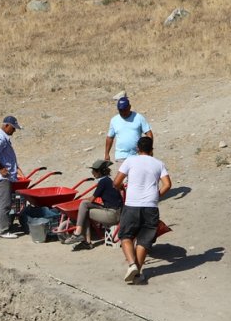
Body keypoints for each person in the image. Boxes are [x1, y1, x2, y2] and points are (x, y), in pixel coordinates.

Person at [113, 136, 171, 284]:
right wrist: (156, 195)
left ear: (138, 148)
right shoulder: (159, 163)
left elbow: (116, 182)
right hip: (150, 206)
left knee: (126, 235)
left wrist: (120, 188)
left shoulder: (130, 160)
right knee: (144, 240)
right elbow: (167, 184)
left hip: (132, 204)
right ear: (152, 149)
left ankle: (132, 265)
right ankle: (137, 274)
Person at [63, 159, 124, 251]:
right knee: (85, 207)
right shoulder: (107, 180)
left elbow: (92, 199)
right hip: (116, 212)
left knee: (84, 207)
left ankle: (79, 235)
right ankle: (85, 240)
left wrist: (81, 201)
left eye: (94, 171)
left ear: (99, 172)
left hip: (113, 215)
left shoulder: (103, 182)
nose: (92, 173)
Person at [0, 116, 23, 239]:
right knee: (5, 204)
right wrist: (1, 168)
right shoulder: (2, 138)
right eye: (13, 128)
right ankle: (3, 230)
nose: (14, 131)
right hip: (4, 177)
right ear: (6, 125)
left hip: (0, 176)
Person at [105, 96, 152, 163]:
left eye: (125, 110)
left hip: (137, 155)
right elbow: (110, 137)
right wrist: (107, 154)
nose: (123, 112)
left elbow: (148, 133)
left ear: (129, 107)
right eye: (120, 110)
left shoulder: (138, 117)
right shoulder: (114, 120)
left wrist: (149, 149)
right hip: (121, 156)